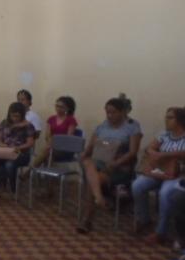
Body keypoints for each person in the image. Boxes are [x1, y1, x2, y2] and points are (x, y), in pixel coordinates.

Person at [76, 98, 142, 234]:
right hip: (99, 165)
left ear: (123, 112)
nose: (110, 115)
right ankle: (98, 198)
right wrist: (82, 156)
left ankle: (88, 219)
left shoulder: (132, 127)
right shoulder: (102, 126)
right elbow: (89, 149)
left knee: (91, 179)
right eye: (107, 112)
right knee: (88, 163)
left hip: (118, 168)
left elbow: (133, 152)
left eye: (113, 112)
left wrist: (116, 163)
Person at [132, 107, 185, 244]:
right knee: (138, 185)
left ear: (180, 120)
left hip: (177, 175)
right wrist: (154, 153)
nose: (166, 120)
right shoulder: (164, 134)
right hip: (159, 171)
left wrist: (165, 155)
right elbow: (150, 148)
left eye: (170, 117)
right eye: (166, 117)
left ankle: (161, 231)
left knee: (165, 193)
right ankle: (144, 220)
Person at [0, 102, 35, 194]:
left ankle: (13, 189)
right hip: (5, 152)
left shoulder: (28, 126)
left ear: (22, 115)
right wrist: (2, 145)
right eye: (13, 116)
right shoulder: (5, 123)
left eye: (17, 116)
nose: (15, 118)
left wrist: (18, 147)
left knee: (9, 165)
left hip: (21, 153)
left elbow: (30, 143)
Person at [29, 96, 79, 169]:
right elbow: (47, 135)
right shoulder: (51, 119)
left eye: (61, 107)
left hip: (65, 148)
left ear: (67, 108)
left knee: (47, 151)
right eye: (57, 106)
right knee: (48, 153)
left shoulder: (71, 120)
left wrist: (55, 144)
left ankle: (30, 171)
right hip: (51, 146)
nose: (58, 108)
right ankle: (48, 177)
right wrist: (51, 143)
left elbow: (68, 138)